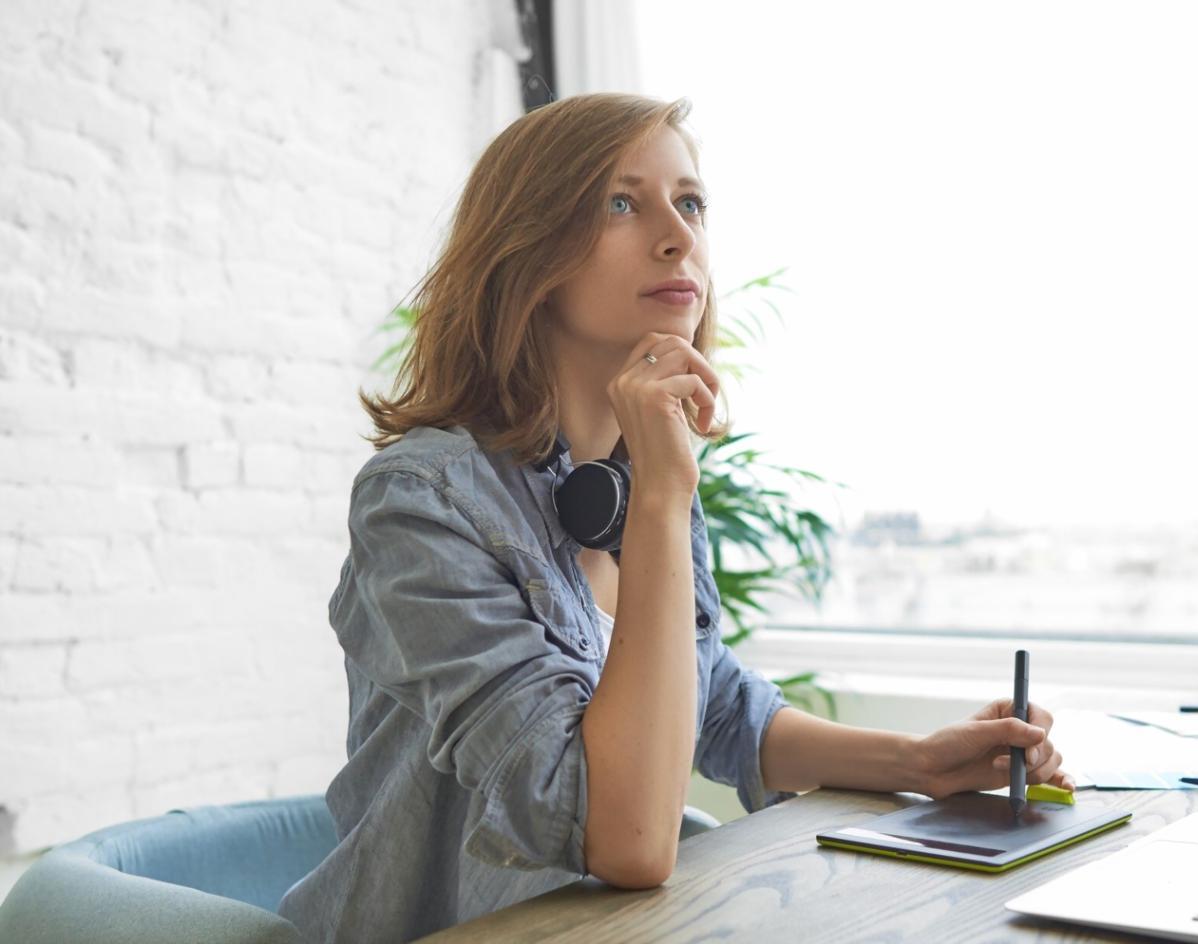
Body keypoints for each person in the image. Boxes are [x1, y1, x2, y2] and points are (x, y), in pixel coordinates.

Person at [277, 92, 1073, 944]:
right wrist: (662, 498)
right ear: (526, 252)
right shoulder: (423, 503)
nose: (676, 234)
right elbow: (624, 838)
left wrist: (917, 762)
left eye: (689, 203)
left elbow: (716, 703)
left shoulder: (639, 474)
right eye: (620, 203)